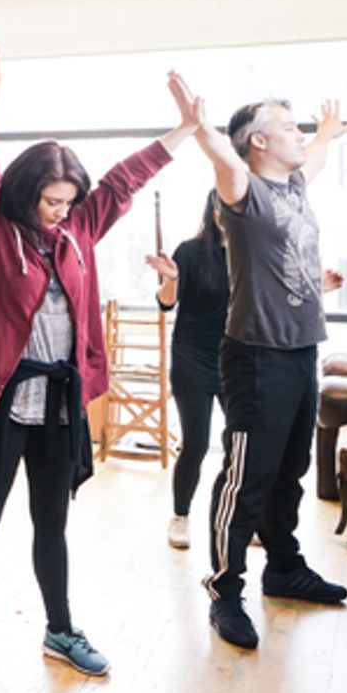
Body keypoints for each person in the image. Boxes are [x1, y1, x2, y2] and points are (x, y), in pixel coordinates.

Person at [0, 66, 200, 693]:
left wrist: (184, 130)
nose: (59, 212)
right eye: (49, 201)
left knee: (52, 523)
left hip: (58, 407)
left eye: (67, 203)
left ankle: (59, 629)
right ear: (26, 194)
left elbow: (125, 179)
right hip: (0, 403)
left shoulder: (79, 228)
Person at [175, 72, 347, 650]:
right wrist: (201, 128)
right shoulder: (244, 193)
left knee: (289, 471)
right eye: (289, 126)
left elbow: (317, 156)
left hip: (302, 350)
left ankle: (284, 567)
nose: (299, 134)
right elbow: (223, 164)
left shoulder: (295, 186)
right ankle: (225, 591)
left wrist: (326, 133)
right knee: (245, 479)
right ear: (257, 142)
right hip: (256, 359)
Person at [145, 190, 229, 550]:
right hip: (192, 358)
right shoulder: (190, 251)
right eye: (223, 206)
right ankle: (180, 516)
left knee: (243, 445)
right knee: (195, 443)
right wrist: (172, 279)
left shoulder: (251, 254)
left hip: (235, 359)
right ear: (212, 209)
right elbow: (166, 304)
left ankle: (242, 515)